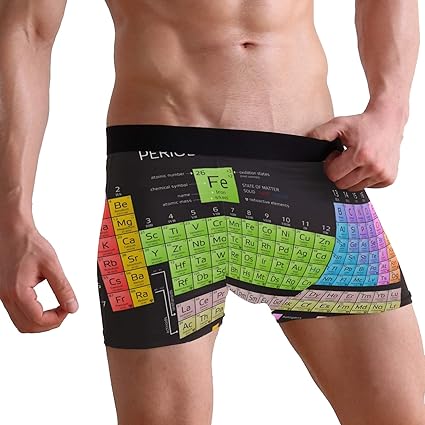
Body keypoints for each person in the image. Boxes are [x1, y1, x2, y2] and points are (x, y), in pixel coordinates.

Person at [0, 1, 424, 424]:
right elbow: (26, 30)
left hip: (312, 174)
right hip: (161, 177)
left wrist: (390, 112)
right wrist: (12, 222)